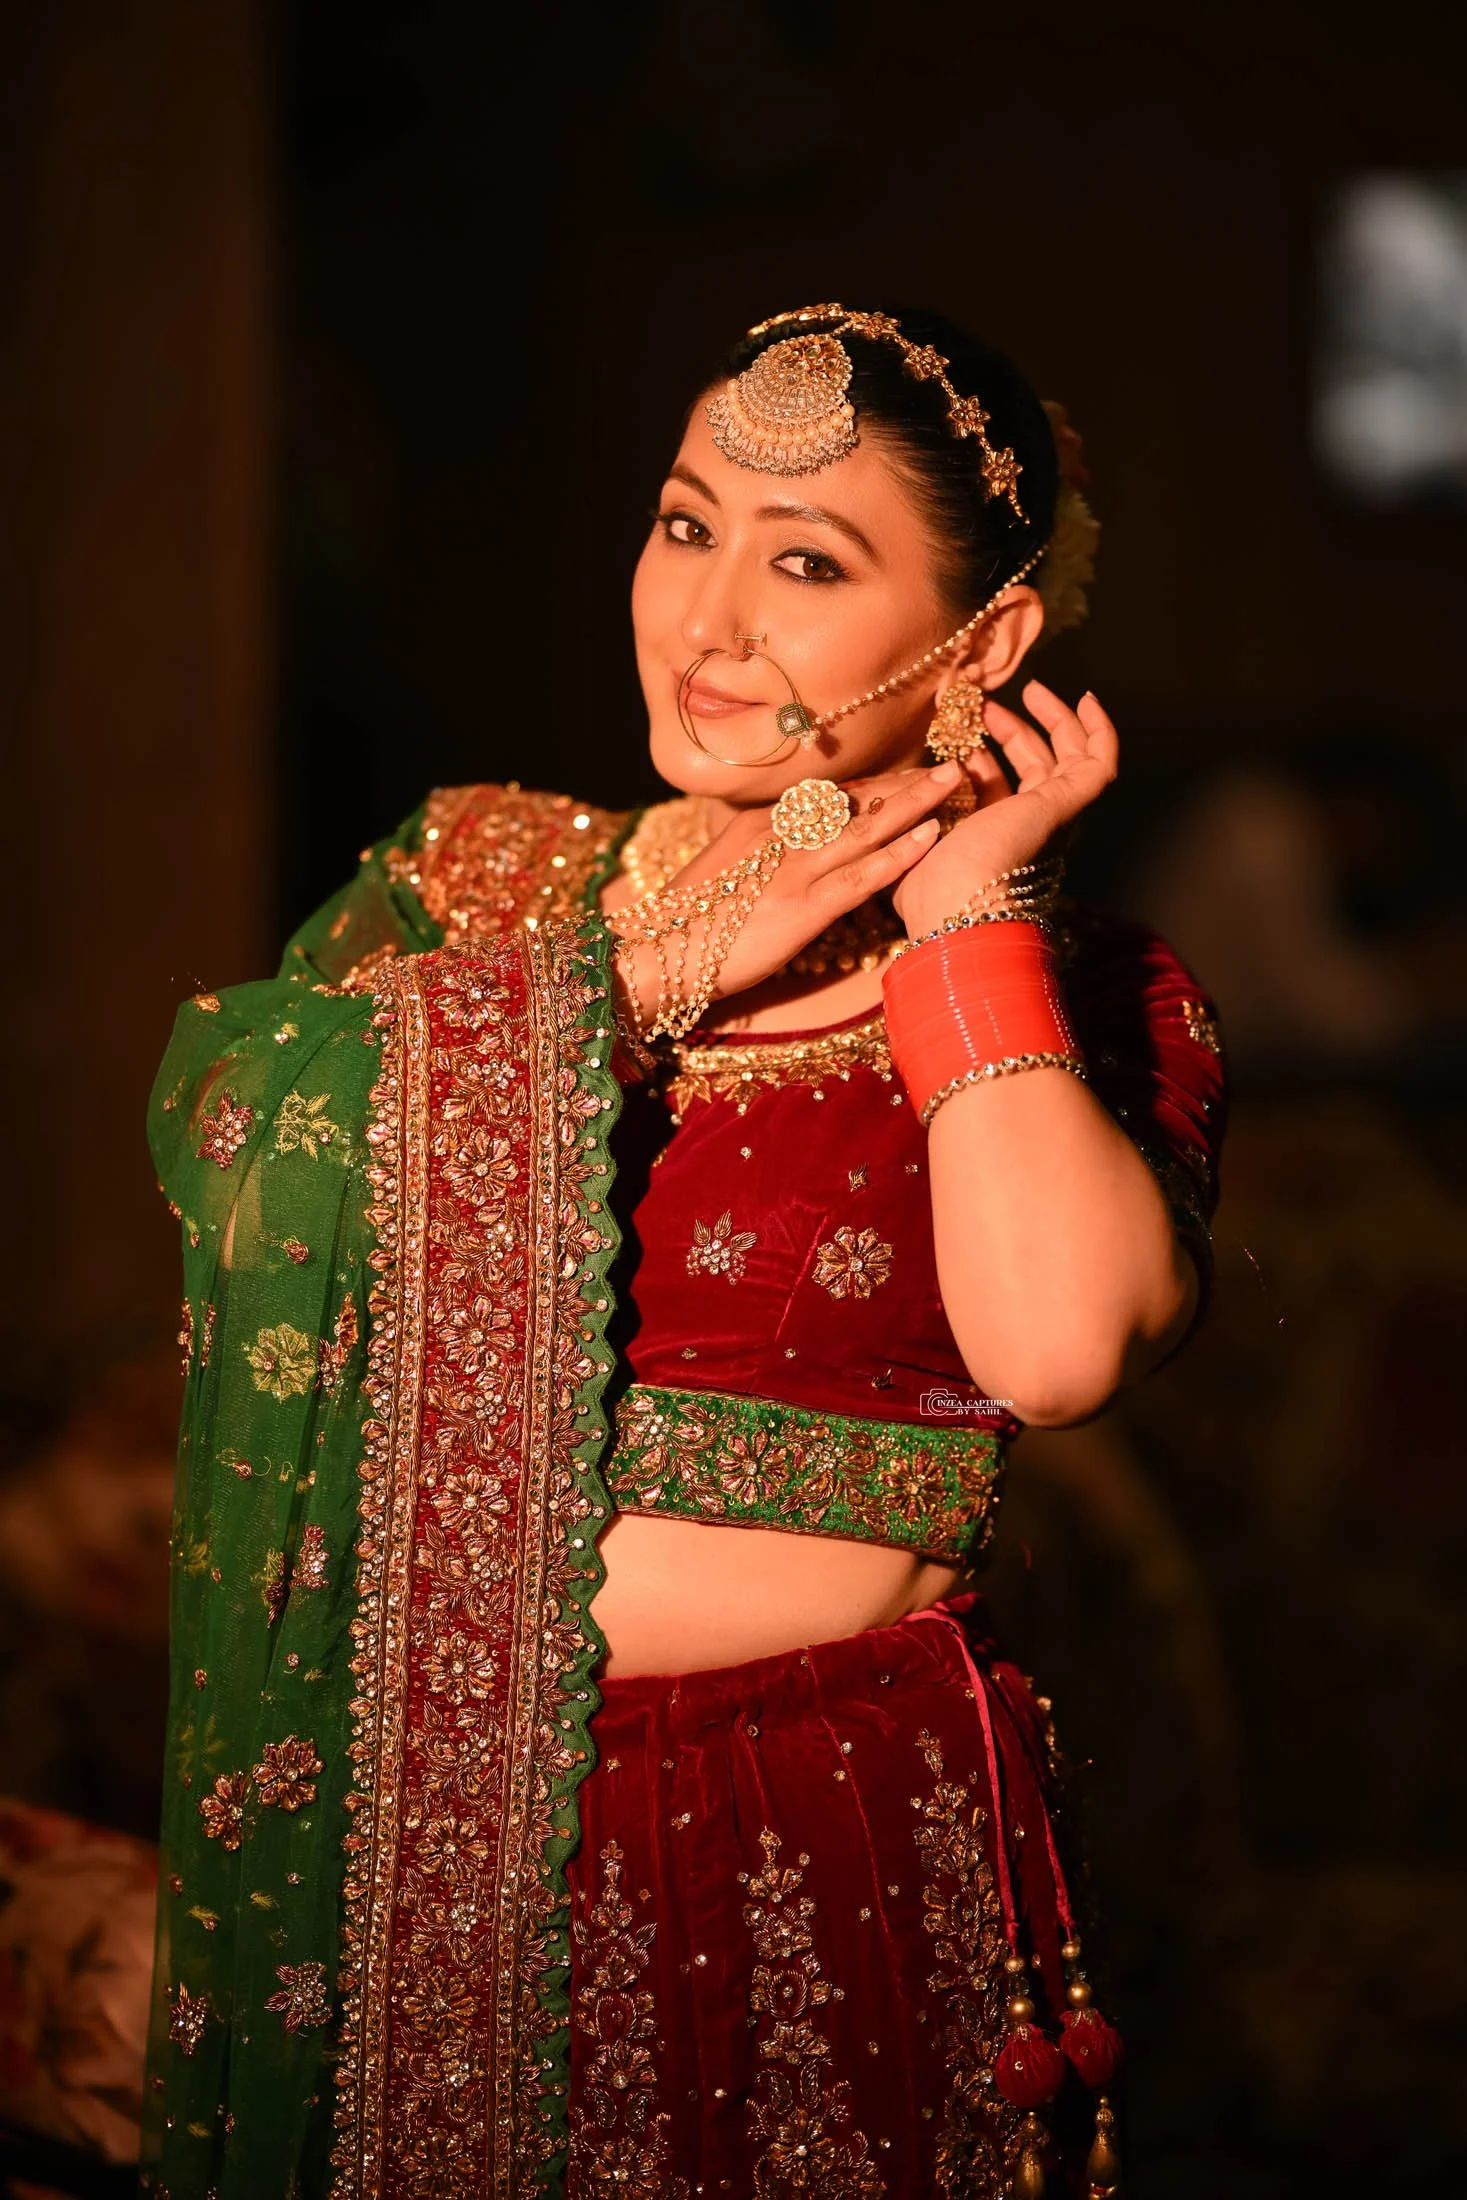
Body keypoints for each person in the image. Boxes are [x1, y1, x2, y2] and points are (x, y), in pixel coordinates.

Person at [142, 305, 1227, 2199]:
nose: (707, 620)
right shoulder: (474, 882)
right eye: (681, 524)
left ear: (982, 647)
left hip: (804, 1832)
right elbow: (232, 1143)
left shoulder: (1072, 1000)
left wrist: (965, 922)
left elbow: (1057, 1346)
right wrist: (630, 989)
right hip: (414, 1831)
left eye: (804, 562)